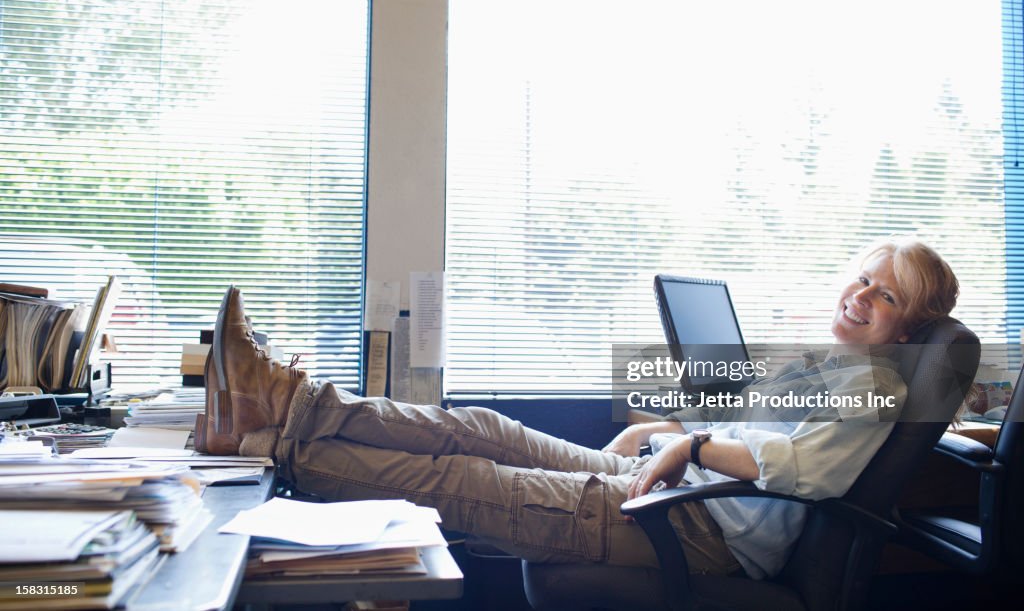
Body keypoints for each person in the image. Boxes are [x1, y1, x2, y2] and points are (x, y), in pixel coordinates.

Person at [194, 238, 960, 580]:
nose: (858, 295)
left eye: (883, 293)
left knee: (465, 479)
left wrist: (689, 452)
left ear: (911, 324)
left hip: (698, 527)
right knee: (484, 428)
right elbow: (757, 436)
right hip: (681, 491)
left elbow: (804, 471)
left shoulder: (879, 386)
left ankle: (269, 445)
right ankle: (283, 400)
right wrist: (679, 434)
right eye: (861, 278)